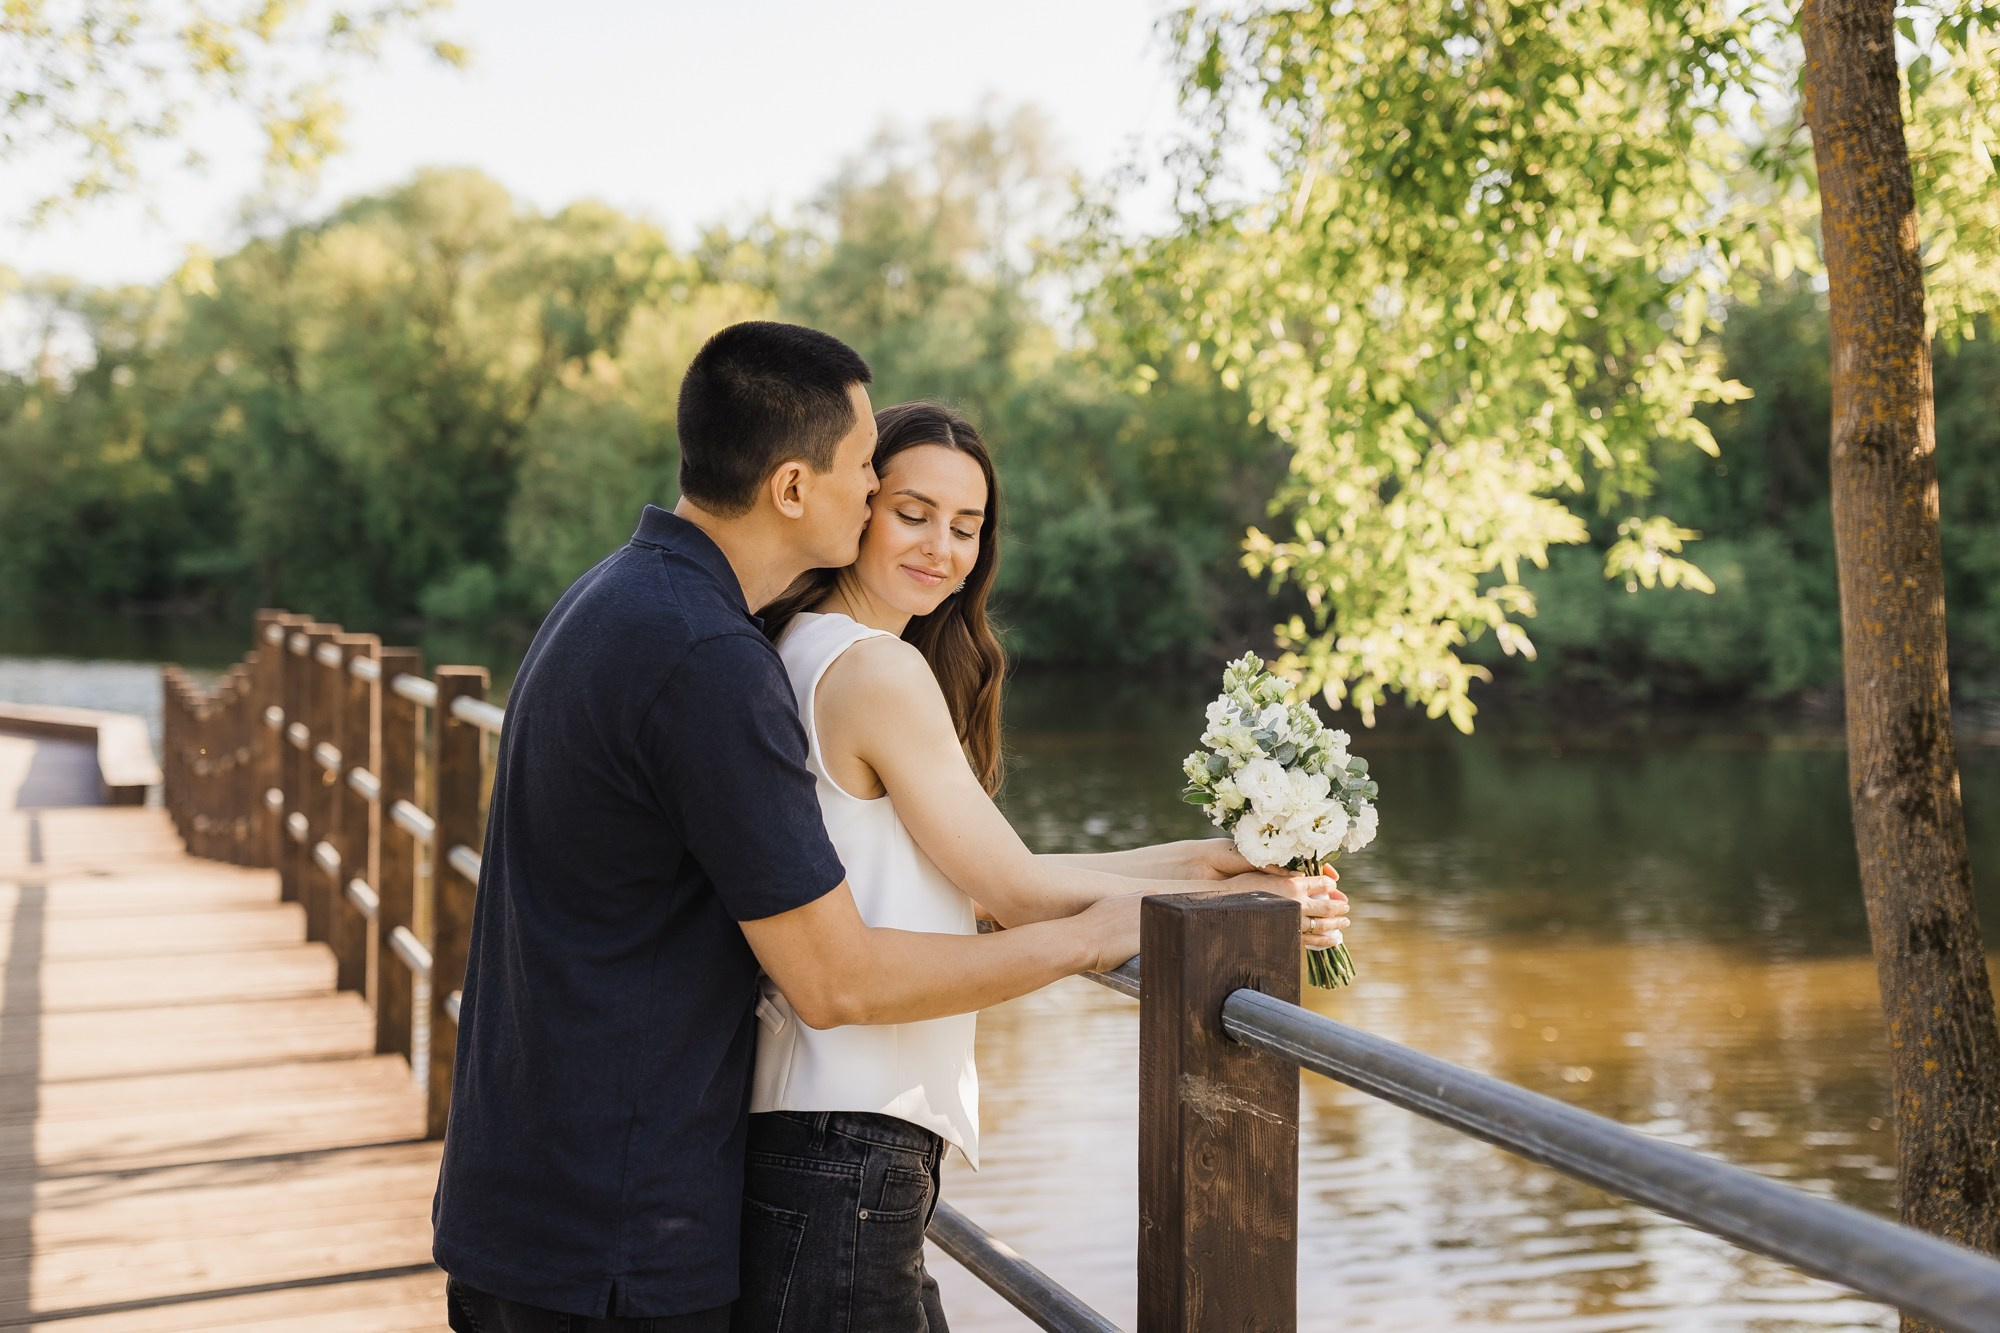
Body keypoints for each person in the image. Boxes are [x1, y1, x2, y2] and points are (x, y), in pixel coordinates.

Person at [432, 321, 1341, 1332]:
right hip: (618, 1225)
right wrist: (1105, 932)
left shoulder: (627, 603)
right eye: (874, 479)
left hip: (561, 1199)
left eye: (964, 522)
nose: (875, 496)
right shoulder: (716, 659)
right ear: (793, 487)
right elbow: (842, 976)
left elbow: (966, 874)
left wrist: (1208, 868)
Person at [732, 402, 1349, 1332]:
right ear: (860, 504)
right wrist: (1237, 898)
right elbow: (1016, 892)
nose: (942, 547)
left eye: (967, 527)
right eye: (913, 513)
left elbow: (992, 871)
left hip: (819, 1134)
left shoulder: (803, 645)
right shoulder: (872, 670)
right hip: (845, 1141)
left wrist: (1215, 865)